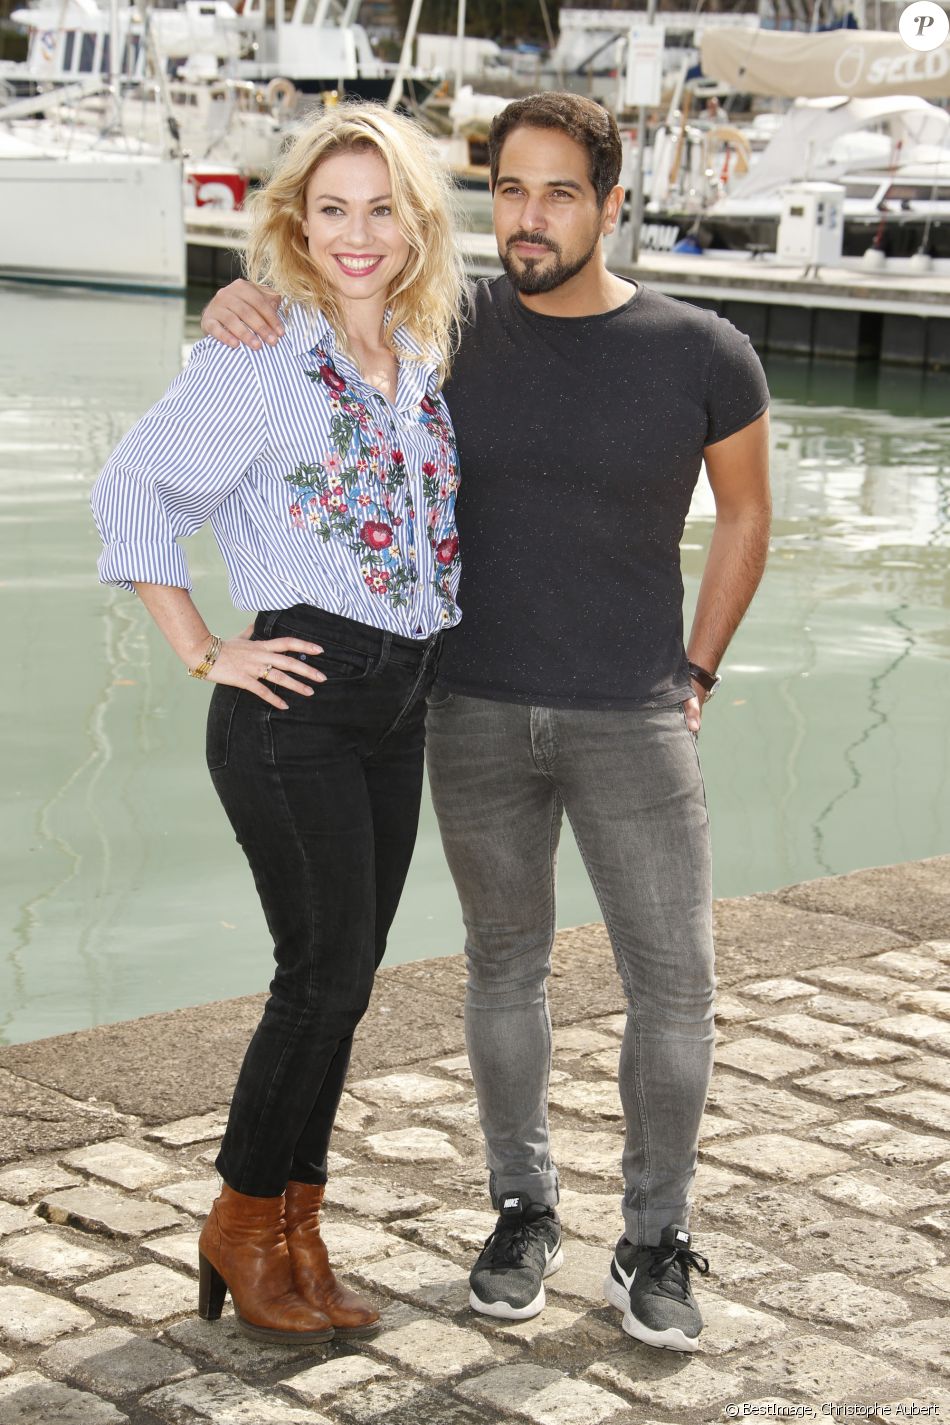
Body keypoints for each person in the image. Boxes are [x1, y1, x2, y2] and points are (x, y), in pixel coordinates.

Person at [200, 91, 771, 1354]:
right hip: (462, 710)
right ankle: (521, 1212)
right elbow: (317, 325)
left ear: (612, 205)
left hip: (634, 714)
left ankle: (653, 1241)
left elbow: (742, 516)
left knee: (672, 987)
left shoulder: (703, 351)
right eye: (510, 189)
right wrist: (235, 304)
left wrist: (699, 668)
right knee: (501, 971)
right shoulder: (444, 330)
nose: (529, 216)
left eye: (560, 191)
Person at [91, 103, 466, 1344]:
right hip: (295, 703)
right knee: (319, 979)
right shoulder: (260, 354)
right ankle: (243, 1225)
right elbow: (133, 484)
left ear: (416, 228)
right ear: (295, 223)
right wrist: (203, 649)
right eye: (332, 209)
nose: (357, 235)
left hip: (397, 704)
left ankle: (300, 1229)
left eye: (382, 210)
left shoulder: (416, 364)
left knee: (346, 984)